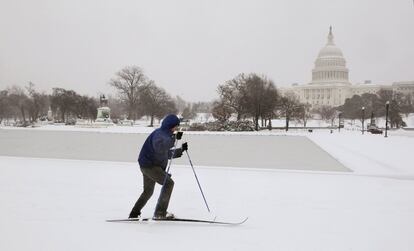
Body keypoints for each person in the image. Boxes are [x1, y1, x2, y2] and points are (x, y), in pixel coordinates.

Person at [129, 114, 188, 220]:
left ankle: (134, 213)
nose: (177, 129)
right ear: (170, 125)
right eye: (176, 126)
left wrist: (180, 150)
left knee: (148, 191)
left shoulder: (165, 134)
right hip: (150, 166)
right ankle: (160, 213)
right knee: (169, 183)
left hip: (147, 166)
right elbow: (160, 149)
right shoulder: (159, 134)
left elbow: (165, 153)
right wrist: (174, 138)